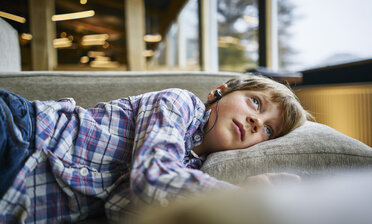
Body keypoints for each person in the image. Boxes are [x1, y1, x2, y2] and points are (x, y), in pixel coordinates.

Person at [0, 74, 312, 223]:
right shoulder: (180, 103)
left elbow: (120, 208)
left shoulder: (191, 174)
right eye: (255, 102)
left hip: (16, 193)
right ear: (219, 92)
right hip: (22, 131)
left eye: (269, 129)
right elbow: (151, 176)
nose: (256, 121)